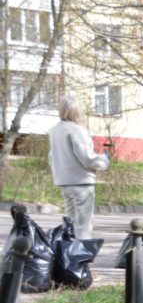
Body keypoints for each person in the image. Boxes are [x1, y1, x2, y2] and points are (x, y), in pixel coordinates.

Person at [48, 96, 109, 239]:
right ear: (77, 111)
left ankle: (67, 249)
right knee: (83, 224)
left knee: (69, 222)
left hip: (64, 182)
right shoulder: (77, 130)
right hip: (81, 182)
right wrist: (104, 161)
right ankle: (81, 251)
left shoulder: (54, 131)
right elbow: (87, 158)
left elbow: (52, 157)